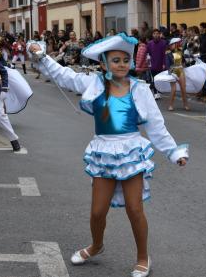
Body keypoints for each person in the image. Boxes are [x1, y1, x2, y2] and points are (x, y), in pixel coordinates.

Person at [28, 33, 188, 277]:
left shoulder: (140, 89)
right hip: (103, 151)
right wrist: (42, 56)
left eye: (126, 59)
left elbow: (156, 125)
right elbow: (65, 75)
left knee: (134, 209)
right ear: (103, 63)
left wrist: (173, 152)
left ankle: (143, 257)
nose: (122, 64)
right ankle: (96, 245)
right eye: (116, 60)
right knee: (97, 211)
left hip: (130, 151)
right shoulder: (93, 83)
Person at [165, 37, 189, 111]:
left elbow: (184, 62)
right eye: (172, 44)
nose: (172, 46)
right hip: (172, 71)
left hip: (180, 70)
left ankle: (185, 104)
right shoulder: (168, 54)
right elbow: (167, 65)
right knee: (174, 89)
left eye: (174, 44)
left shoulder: (180, 52)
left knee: (183, 88)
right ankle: (170, 105)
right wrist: (171, 72)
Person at [146, 29, 167, 99]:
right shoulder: (149, 43)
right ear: (152, 35)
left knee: (159, 79)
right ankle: (155, 93)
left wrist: (164, 63)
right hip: (153, 63)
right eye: (154, 33)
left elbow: (164, 54)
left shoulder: (163, 43)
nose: (156, 35)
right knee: (154, 79)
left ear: (159, 34)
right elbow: (148, 54)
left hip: (160, 63)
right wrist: (148, 63)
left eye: (157, 33)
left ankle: (159, 91)